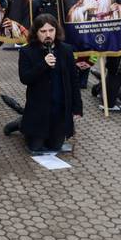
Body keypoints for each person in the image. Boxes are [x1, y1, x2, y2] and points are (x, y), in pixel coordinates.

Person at [18, 14, 82, 154]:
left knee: (55, 147)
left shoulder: (66, 50)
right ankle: (20, 124)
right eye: (43, 31)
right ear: (36, 32)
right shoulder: (27, 51)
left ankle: (24, 122)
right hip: (38, 110)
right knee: (35, 147)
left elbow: (73, 80)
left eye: (51, 30)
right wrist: (43, 65)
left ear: (56, 31)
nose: (48, 35)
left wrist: (77, 108)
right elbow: (25, 78)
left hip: (58, 110)